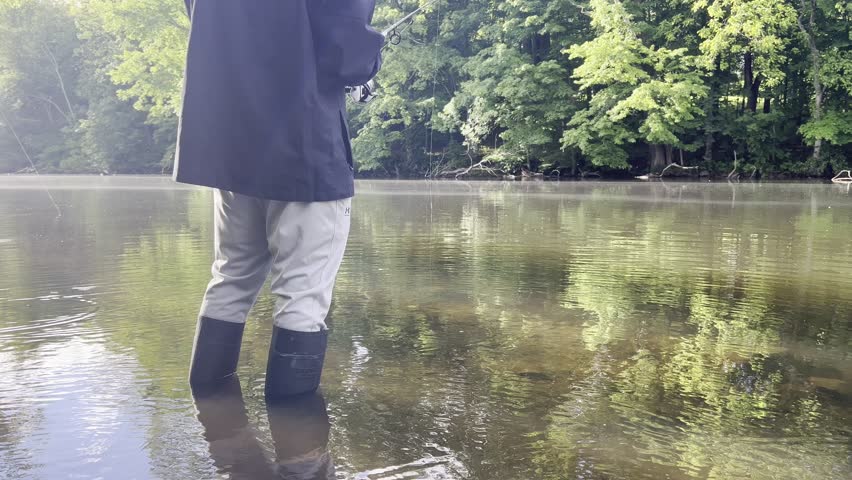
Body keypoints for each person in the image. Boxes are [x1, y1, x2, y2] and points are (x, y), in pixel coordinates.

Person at [175, 0, 383, 399]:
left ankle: (217, 433)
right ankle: (299, 454)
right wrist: (371, 53)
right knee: (302, 301)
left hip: (231, 147)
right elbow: (347, 55)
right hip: (304, 151)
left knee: (229, 279)